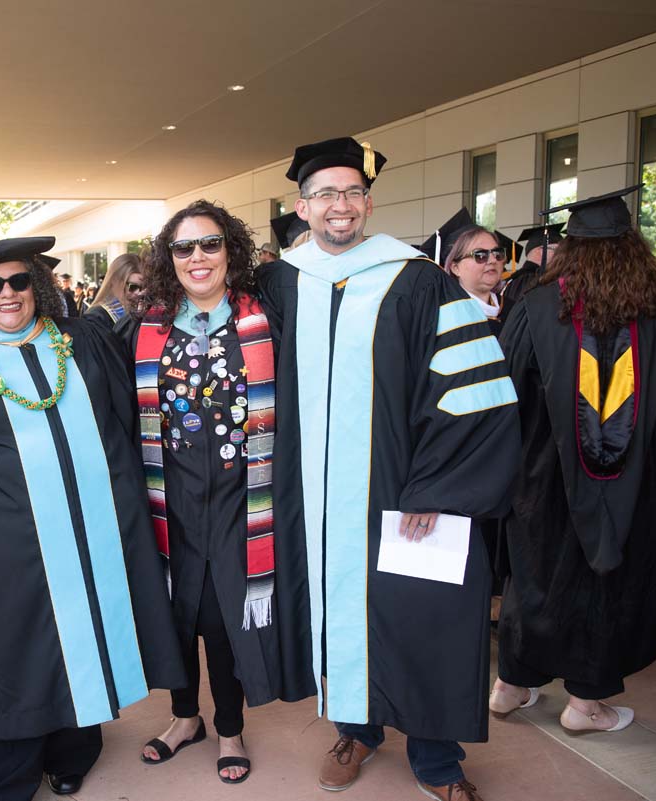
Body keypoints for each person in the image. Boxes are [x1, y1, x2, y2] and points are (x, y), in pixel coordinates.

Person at [256, 138, 520, 801]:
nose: (339, 205)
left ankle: (436, 756)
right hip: (309, 497)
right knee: (337, 609)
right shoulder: (278, 283)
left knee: (423, 613)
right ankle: (357, 728)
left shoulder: (419, 280)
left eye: (351, 192)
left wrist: (438, 485)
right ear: (302, 206)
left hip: (405, 490)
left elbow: (474, 392)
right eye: (324, 194)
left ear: (368, 203)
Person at [0, 236, 185, 801]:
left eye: (19, 281)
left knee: (85, 631)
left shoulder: (83, 342)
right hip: (11, 540)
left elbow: (125, 418)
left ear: (38, 285)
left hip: (98, 527)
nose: (7, 294)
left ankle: (73, 751)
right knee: (15, 648)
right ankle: (8, 771)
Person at [492, 186, 656, 735]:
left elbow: (507, 390)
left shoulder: (534, 303)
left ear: (570, 247)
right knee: (613, 579)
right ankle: (585, 705)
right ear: (634, 243)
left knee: (536, 573)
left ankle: (511, 683)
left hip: (545, 471)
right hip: (639, 476)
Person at [124, 201, 280, 784]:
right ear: (170, 258)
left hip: (243, 496)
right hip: (171, 496)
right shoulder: (146, 330)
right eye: (184, 248)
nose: (198, 258)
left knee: (219, 617)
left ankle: (229, 727)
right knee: (176, 612)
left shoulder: (264, 321)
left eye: (210, 245)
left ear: (231, 251)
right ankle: (183, 718)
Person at [499, 222, 564, 322]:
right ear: (541, 250)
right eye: (557, 250)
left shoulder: (513, 280)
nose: (561, 255)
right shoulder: (533, 281)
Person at [84, 252, 147, 330]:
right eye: (133, 287)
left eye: (144, 287)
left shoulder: (141, 313)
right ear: (114, 281)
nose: (138, 293)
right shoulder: (95, 318)